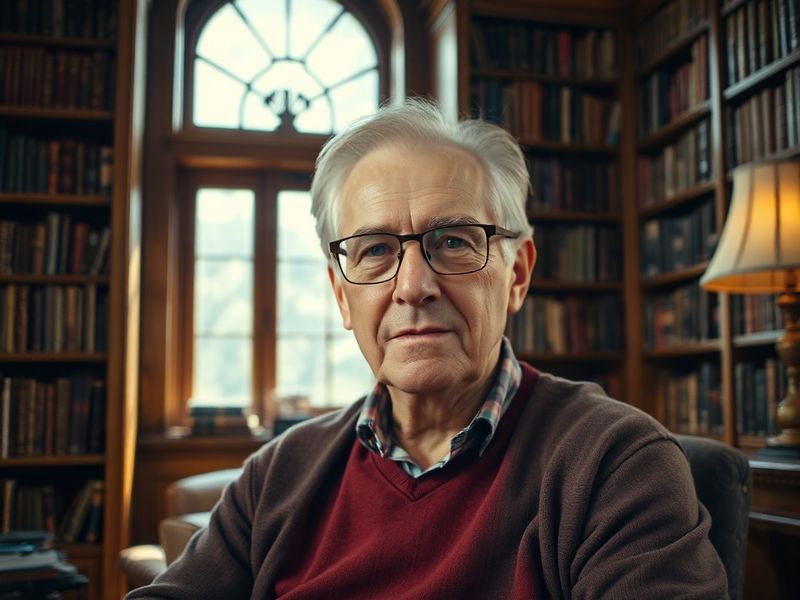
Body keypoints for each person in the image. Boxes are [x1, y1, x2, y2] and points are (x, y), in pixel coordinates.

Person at [126, 100, 727, 599]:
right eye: (375, 251)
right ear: (341, 296)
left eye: (455, 241)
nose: (413, 285)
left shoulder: (616, 464)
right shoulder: (280, 473)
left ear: (516, 274)